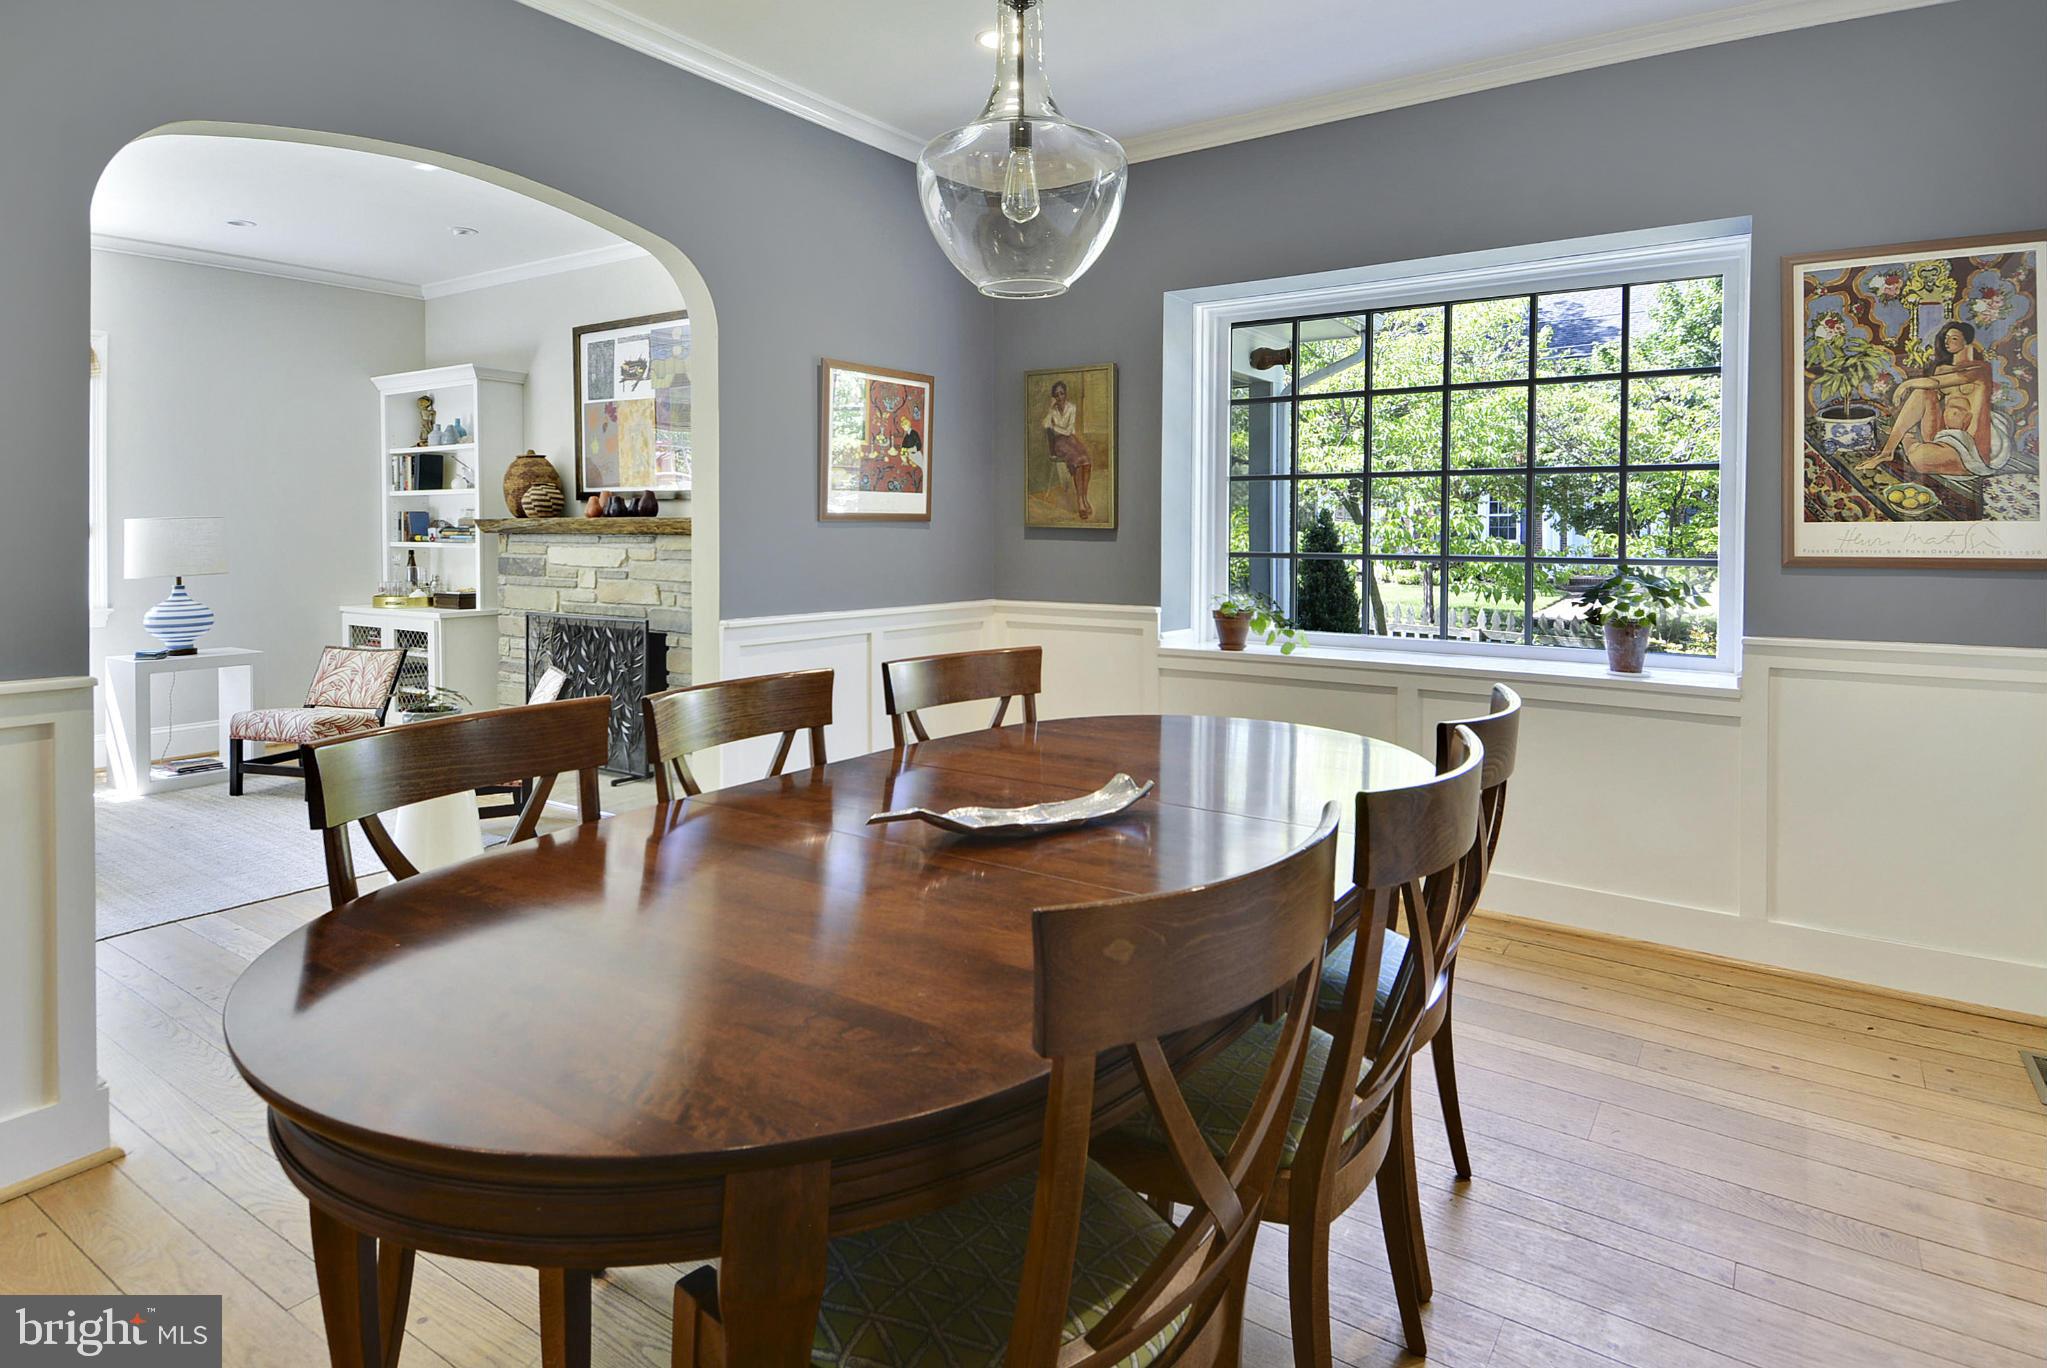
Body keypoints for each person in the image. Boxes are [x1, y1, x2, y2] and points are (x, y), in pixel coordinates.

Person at [1860, 320, 2014, 476]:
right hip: (1945, 437)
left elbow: (1937, 382)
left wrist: (1905, 385)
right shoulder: (1941, 369)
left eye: (1953, 338)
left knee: (1919, 459)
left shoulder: (1980, 369)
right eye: (1946, 338)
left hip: (1973, 446)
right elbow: (1925, 399)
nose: (1947, 342)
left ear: (1966, 341)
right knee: (1923, 393)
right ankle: (1888, 451)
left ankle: (1910, 441)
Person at [1041, 379, 1093, 520]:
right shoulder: (1053, 410)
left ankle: (1084, 497)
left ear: (1066, 394)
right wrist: (1050, 409)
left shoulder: (1072, 408)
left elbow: (1070, 430)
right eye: (1056, 395)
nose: (1059, 397)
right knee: (1076, 460)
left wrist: (1055, 428)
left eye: (1062, 394)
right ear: (1054, 397)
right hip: (1059, 444)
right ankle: (1080, 502)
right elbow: (1045, 424)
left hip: (1070, 439)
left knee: (1086, 461)